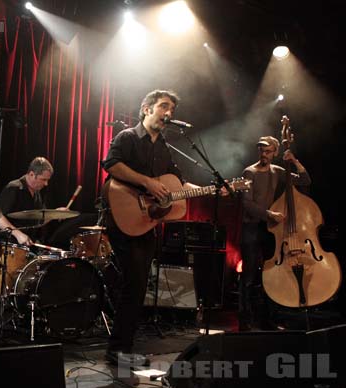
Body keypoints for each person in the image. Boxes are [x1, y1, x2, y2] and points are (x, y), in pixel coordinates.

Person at [101, 90, 221, 366]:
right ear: (146, 109)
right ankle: (117, 349)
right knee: (132, 283)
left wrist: (207, 190)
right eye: (163, 107)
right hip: (124, 217)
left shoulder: (164, 147)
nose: (169, 113)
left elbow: (178, 183)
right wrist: (147, 182)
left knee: (140, 285)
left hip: (146, 223)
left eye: (172, 109)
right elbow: (112, 165)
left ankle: (122, 348)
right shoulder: (128, 137)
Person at [239, 135, 311, 331]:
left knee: (269, 275)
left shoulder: (278, 171)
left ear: (275, 153)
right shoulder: (249, 172)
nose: (264, 154)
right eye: (261, 150)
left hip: (268, 230)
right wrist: (269, 213)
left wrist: (294, 161)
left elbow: (305, 181)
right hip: (252, 227)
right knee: (249, 276)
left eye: (268, 151)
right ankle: (244, 322)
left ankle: (266, 320)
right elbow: (246, 204)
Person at [0, 156, 54, 246]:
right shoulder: (14, 188)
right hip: (8, 245)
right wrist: (18, 234)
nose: (46, 184)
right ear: (31, 174)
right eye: (43, 179)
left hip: (27, 246)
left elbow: (39, 220)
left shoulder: (37, 194)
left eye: (47, 180)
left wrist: (56, 214)